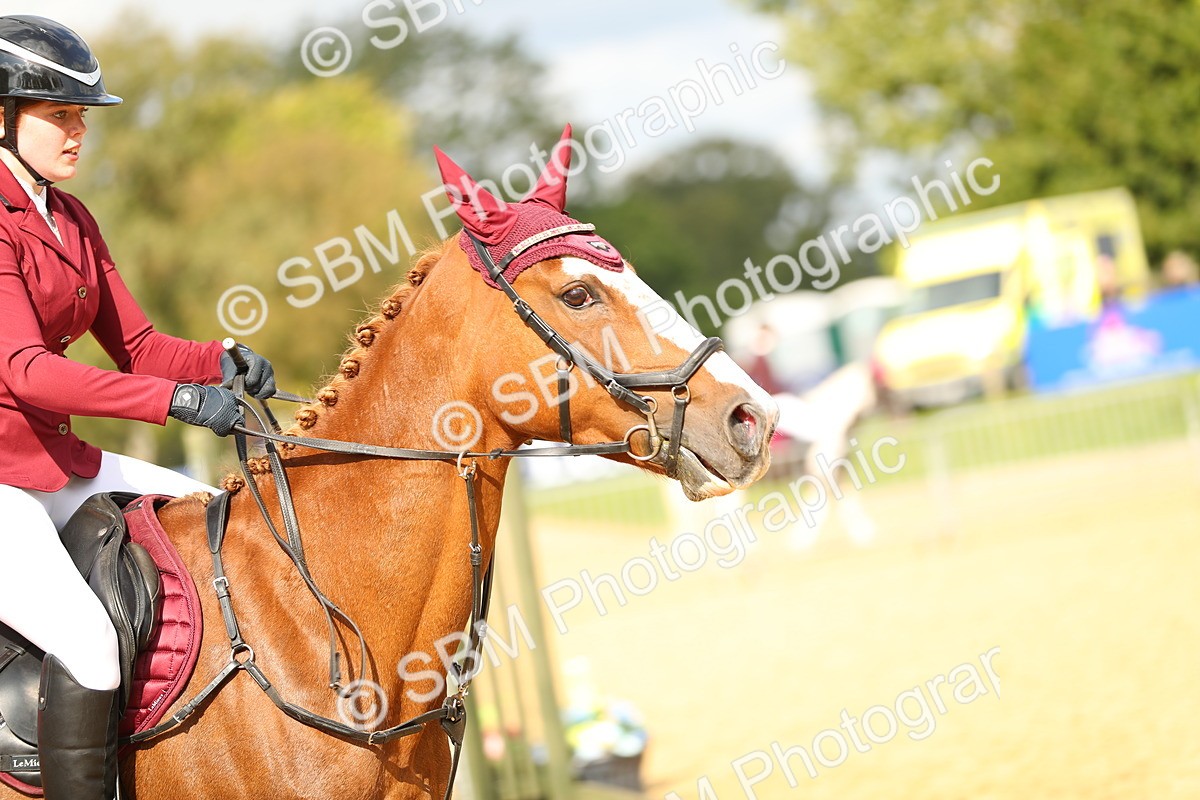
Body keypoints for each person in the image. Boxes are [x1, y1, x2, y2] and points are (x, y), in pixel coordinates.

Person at [0, 16, 275, 799]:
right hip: (0, 483)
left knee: (216, 518)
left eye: (80, 117)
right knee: (87, 642)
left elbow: (142, 345)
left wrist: (217, 360)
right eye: (59, 116)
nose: (77, 132)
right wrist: (178, 402)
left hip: (55, 464)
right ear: (0, 117)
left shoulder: (71, 218)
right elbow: (26, 373)